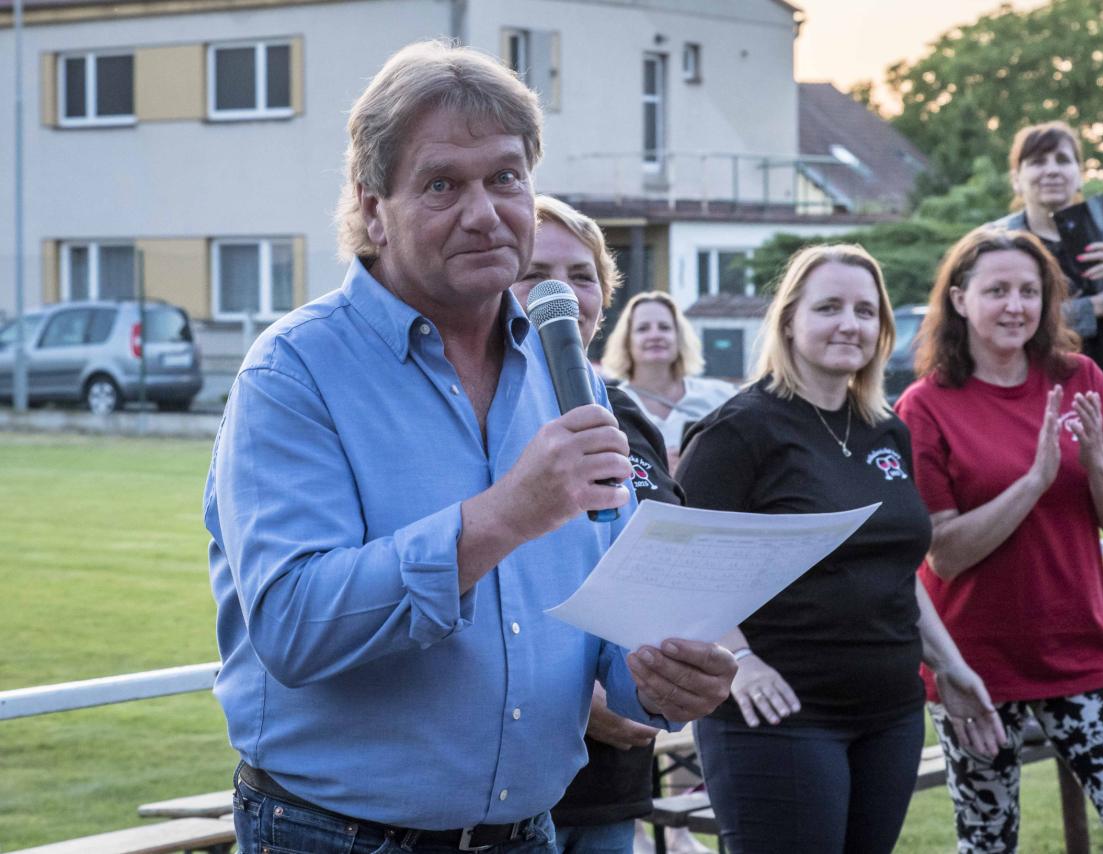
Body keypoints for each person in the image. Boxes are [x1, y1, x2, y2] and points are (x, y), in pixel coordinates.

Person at [205, 41, 734, 854]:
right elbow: (294, 625)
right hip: (334, 835)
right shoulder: (293, 372)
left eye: (506, 178)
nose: (485, 213)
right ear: (372, 208)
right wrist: (504, 515)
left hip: (526, 831)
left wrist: (664, 676)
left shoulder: (563, 373)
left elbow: (610, 609)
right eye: (442, 185)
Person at [676, 244, 1004, 854]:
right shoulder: (740, 429)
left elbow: (895, 570)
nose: (849, 324)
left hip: (890, 715)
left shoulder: (887, 430)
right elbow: (680, 564)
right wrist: (739, 658)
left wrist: (951, 666)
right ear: (789, 320)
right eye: (828, 307)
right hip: (779, 716)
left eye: (865, 310)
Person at [895, 227, 1103, 852]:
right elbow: (943, 554)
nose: (1016, 306)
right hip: (974, 666)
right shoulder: (925, 405)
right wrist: (1033, 483)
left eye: (1030, 291)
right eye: (997, 290)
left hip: (1081, 651)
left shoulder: (1081, 377)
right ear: (960, 300)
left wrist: (1098, 460)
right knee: (988, 841)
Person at [512, 194, 679, 854]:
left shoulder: (626, 416)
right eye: (535, 273)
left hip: (616, 776)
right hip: (517, 778)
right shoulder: (481, 417)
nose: (561, 292)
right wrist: (585, 703)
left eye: (581, 276)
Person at [990, 120, 1103, 491]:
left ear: (1079, 174)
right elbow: (993, 326)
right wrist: (1094, 308)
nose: (1052, 170)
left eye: (1063, 160)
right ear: (1016, 179)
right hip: (1025, 399)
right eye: (1038, 161)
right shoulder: (999, 241)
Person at [601, 292, 735, 467]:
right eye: (643, 328)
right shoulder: (610, 406)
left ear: (679, 338)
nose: (655, 335)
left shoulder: (721, 397)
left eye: (664, 327)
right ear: (626, 341)